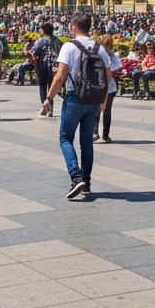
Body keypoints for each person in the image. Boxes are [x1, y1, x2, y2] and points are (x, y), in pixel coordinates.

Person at [40, 12, 112, 199]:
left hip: (74, 97)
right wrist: (103, 100)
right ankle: (86, 182)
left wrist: (49, 97)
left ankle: (76, 178)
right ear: (89, 27)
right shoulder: (100, 48)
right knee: (87, 142)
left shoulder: (69, 47)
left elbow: (60, 75)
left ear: (72, 26)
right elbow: (108, 75)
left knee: (65, 138)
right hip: (94, 99)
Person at [93, 35, 123, 144]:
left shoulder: (101, 55)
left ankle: (97, 133)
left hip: (106, 87)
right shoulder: (111, 57)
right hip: (109, 87)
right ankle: (103, 134)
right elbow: (117, 71)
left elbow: (115, 72)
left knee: (101, 110)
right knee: (104, 110)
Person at [31, 23, 61, 116]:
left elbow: (33, 53)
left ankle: (45, 107)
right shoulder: (57, 41)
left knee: (42, 87)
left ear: (43, 31)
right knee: (51, 87)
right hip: (54, 67)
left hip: (42, 66)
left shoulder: (40, 41)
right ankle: (51, 109)